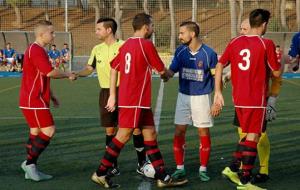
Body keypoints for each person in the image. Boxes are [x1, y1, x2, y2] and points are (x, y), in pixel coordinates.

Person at [91, 13, 188, 188]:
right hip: (134, 99)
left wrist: (113, 95)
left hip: (137, 101)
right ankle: (100, 173)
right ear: (145, 27)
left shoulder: (127, 44)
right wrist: (168, 75)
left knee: (150, 135)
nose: (153, 29)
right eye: (152, 26)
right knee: (123, 135)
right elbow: (161, 70)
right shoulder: (146, 45)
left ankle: (163, 177)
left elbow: (114, 68)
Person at [212, 9, 282, 190]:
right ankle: (245, 181)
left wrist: (218, 92)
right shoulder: (266, 43)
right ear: (264, 24)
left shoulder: (235, 42)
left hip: (239, 98)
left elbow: (220, 64)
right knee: (253, 136)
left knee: (248, 135)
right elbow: (275, 72)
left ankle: (233, 167)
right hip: (256, 98)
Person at [76, 17, 146, 176]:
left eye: (98, 29)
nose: (96, 32)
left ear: (109, 30)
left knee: (135, 129)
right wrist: (77, 74)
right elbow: (89, 68)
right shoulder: (96, 49)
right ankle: (113, 165)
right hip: (105, 92)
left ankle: (141, 163)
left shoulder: (124, 46)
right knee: (110, 130)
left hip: (125, 92)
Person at [19, 20, 76, 182]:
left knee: (35, 132)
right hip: (34, 100)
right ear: (42, 34)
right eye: (51, 32)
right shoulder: (36, 50)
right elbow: (49, 72)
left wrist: (51, 95)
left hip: (33, 99)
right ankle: (29, 164)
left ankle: (30, 168)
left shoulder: (36, 50)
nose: (54, 35)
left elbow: (42, 76)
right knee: (49, 130)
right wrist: (68, 74)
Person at [164, 21, 217, 182]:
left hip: (202, 98)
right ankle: (180, 168)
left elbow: (216, 77)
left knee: (203, 132)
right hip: (183, 96)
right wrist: (161, 72)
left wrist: (216, 100)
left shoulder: (209, 53)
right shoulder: (180, 51)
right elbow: (170, 73)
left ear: (192, 34)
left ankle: (203, 169)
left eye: (182, 33)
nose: (179, 36)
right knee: (179, 131)